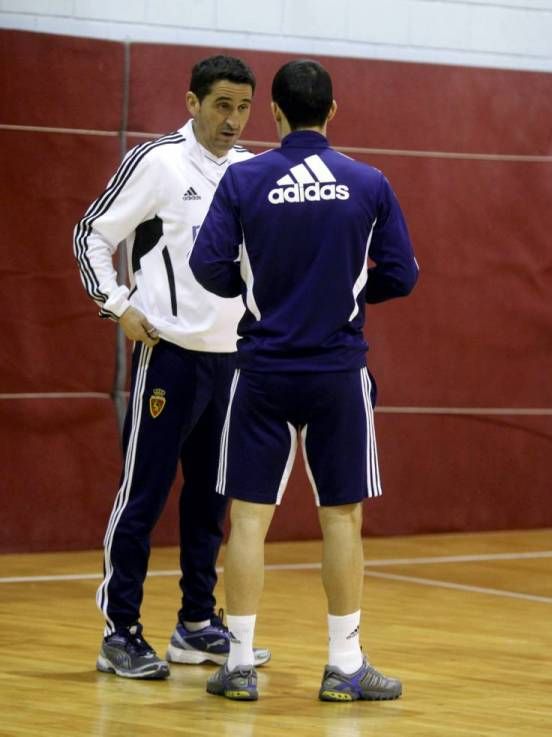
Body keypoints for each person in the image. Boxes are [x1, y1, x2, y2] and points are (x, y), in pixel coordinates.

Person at [189, 59, 419, 701]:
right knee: (341, 518)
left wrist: (259, 290)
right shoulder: (369, 182)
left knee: (248, 520)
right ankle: (344, 666)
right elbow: (403, 273)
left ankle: (237, 665)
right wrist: (340, 292)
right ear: (333, 112)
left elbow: (209, 267)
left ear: (275, 113)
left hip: (260, 370)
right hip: (337, 374)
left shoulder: (245, 179)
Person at [73, 55, 271, 680]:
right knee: (145, 494)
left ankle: (194, 623)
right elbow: (91, 236)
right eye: (221, 106)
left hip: (231, 361)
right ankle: (119, 631)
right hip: (168, 357)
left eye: (243, 107)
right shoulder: (158, 162)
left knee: (210, 501)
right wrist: (116, 305)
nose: (233, 120)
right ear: (192, 103)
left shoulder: (250, 172)